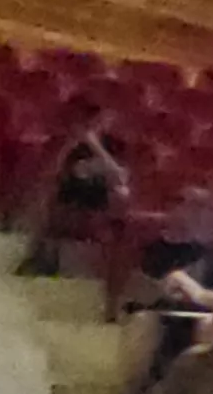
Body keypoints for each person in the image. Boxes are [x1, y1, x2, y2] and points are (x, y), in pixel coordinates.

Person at [117, 187, 213, 391]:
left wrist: (198, 293)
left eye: (206, 208)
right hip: (161, 314)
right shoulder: (152, 248)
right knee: (142, 322)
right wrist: (158, 289)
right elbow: (132, 291)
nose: (198, 214)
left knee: (210, 326)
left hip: (211, 317)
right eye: (192, 206)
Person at [14, 98, 132, 277]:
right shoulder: (72, 141)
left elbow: (119, 174)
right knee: (46, 201)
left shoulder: (114, 144)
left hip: (99, 189)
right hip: (71, 185)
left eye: (106, 120)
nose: (101, 123)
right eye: (97, 119)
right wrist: (76, 145)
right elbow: (58, 167)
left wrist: (96, 148)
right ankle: (39, 256)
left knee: (103, 178)